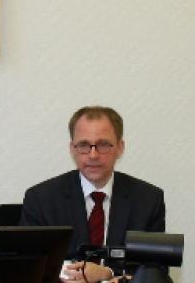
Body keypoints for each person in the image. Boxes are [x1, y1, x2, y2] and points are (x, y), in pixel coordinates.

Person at [20, 106, 166, 282]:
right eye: (84, 145)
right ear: (72, 149)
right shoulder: (41, 200)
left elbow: (155, 272)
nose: (93, 155)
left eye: (103, 144)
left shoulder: (148, 200)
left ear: (120, 147)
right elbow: (28, 270)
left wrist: (107, 274)